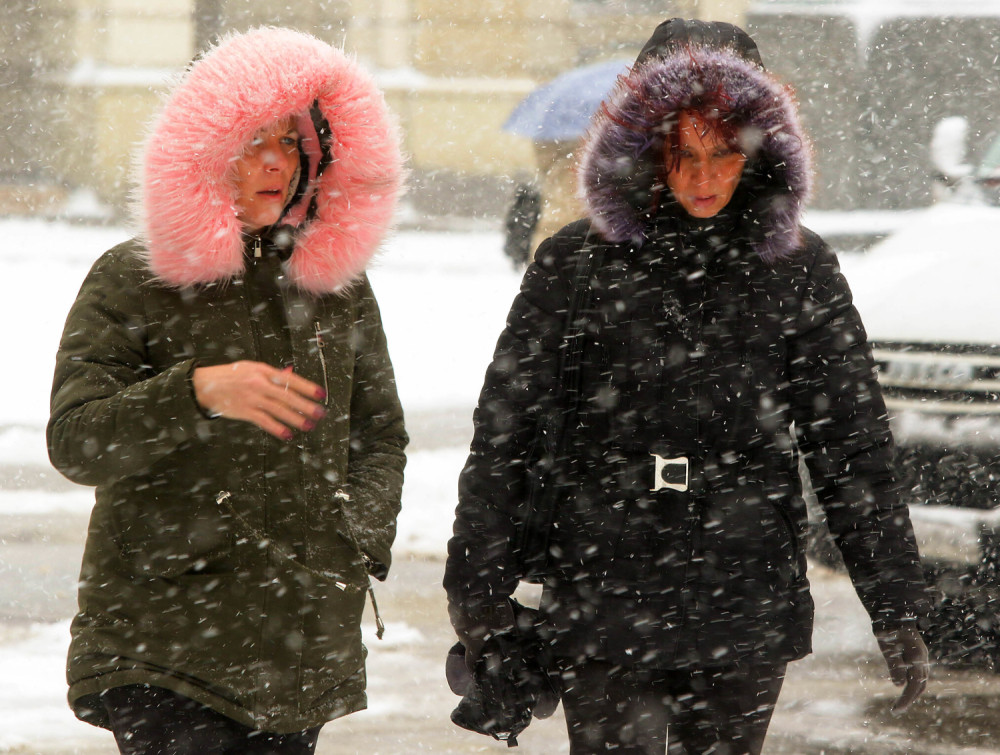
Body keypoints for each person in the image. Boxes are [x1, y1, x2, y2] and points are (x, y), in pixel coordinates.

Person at [444, 18, 931, 755]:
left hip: (744, 595)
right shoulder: (576, 264)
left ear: (761, 149)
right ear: (644, 145)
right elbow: (509, 431)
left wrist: (894, 600)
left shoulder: (799, 269)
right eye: (683, 153)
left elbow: (851, 444)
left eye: (725, 153)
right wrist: (476, 589)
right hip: (606, 591)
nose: (704, 178)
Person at [47, 27, 406, 754]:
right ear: (204, 155)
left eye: (289, 140)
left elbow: (380, 434)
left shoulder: (337, 284)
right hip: (164, 640)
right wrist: (197, 392)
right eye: (251, 142)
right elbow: (77, 439)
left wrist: (353, 535)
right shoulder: (133, 276)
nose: (275, 162)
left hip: (299, 638)